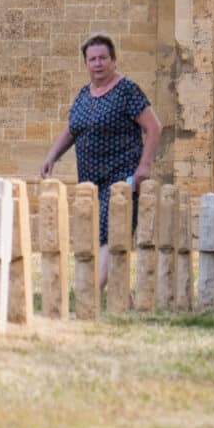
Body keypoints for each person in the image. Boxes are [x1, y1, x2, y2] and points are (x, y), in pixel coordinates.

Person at [38, 34, 159, 289]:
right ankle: (124, 302)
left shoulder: (127, 90)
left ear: (113, 60)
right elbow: (72, 129)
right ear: (86, 63)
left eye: (103, 58)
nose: (98, 63)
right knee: (102, 237)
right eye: (92, 59)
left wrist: (144, 166)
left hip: (122, 178)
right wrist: (52, 156)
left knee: (109, 233)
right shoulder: (84, 94)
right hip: (91, 182)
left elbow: (154, 127)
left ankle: (89, 295)